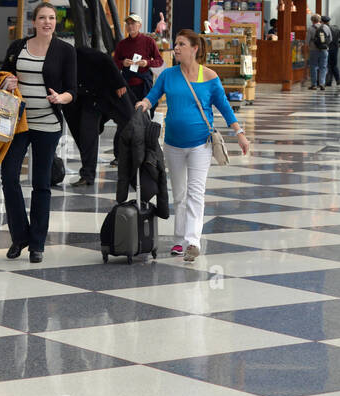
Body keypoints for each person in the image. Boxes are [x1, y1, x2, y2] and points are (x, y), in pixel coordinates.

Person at [136, 29, 250, 260]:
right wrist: (144, 104)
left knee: (196, 193)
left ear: (195, 48)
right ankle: (179, 240)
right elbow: (154, 94)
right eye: (176, 44)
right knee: (179, 194)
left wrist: (239, 133)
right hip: (173, 144)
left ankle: (192, 241)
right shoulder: (169, 75)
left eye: (181, 44)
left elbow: (225, 108)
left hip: (201, 143)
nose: (176, 48)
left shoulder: (209, 77)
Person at [0, 2, 77, 263]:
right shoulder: (17, 47)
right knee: (9, 176)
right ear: (33, 22)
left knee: (41, 183)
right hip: (17, 123)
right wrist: (7, 82)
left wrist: (61, 98)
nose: (47, 22)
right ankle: (19, 236)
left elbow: (72, 90)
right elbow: (3, 75)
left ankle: (37, 244)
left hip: (47, 123)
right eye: (42, 18)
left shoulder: (65, 51)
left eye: (52, 18)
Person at [64, 47, 132, 188]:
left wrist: (119, 81)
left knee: (131, 124)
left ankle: (139, 168)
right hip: (89, 99)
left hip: (111, 92)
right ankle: (87, 176)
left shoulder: (76, 52)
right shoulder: (53, 62)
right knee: (86, 135)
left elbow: (105, 58)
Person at [113, 13, 163, 104]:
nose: (130, 26)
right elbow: (114, 63)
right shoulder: (122, 44)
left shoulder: (149, 41)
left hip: (144, 84)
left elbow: (159, 61)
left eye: (133, 23)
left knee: (143, 111)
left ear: (139, 25)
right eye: (128, 24)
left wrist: (146, 63)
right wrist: (123, 63)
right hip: (126, 85)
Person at [306, 13, 331, 89]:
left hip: (313, 50)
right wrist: (324, 44)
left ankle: (314, 84)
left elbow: (307, 40)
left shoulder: (310, 28)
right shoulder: (326, 27)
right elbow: (330, 39)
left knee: (313, 66)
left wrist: (309, 46)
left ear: (312, 21)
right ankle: (322, 83)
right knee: (323, 67)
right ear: (320, 20)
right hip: (324, 50)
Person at [322, 14, 340, 87]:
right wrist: (339, 44)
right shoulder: (336, 28)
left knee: (328, 65)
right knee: (334, 65)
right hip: (335, 49)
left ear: (322, 22)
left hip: (326, 48)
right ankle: (338, 80)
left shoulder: (323, 29)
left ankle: (329, 81)